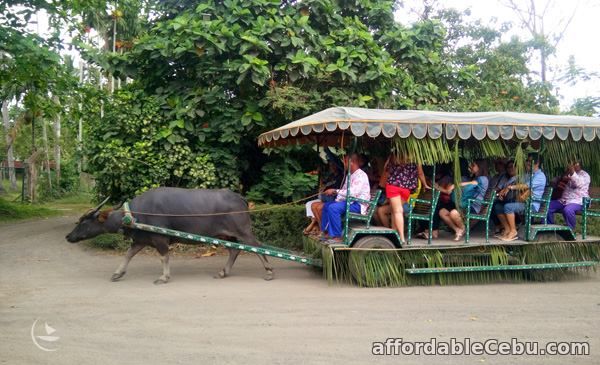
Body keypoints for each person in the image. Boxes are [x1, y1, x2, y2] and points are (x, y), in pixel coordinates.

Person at [495, 154, 547, 241]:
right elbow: (520, 184)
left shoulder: (540, 176)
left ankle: (513, 231)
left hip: (532, 205)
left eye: (530, 161)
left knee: (508, 207)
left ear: (537, 163)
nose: (527, 163)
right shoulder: (530, 175)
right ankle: (507, 229)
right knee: (499, 206)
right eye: (527, 161)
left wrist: (510, 187)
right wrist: (506, 189)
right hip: (523, 201)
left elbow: (525, 186)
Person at [320, 153, 370, 241]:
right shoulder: (349, 175)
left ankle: (337, 236)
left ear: (351, 162)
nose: (344, 164)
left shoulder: (361, 175)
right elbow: (344, 191)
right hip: (350, 202)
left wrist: (335, 191)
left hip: (358, 204)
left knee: (333, 208)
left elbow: (353, 193)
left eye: (345, 162)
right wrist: (336, 196)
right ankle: (326, 232)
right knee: (327, 205)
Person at [436, 159, 489, 241]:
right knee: (442, 212)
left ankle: (462, 228)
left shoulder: (483, 179)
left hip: (473, 206)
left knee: (453, 213)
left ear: (480, 167)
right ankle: (458, 229)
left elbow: (473, 184)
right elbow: (471, 184)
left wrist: (455, 185)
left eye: (473, 165)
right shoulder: (475, 178)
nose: (471, 167)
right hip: (465, 204)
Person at [384, 153, 430, 243]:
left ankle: (401, 238)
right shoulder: (415, 157)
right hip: (406, 188)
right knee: (395, 211)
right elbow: (420, 173)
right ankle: (394, 233)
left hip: (393, 186)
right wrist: (425, 184)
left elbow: (386, 168)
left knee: (397, 211)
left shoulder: (394, 155)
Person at [547, 159, 590, 230]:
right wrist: (562, 178)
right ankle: (549, 228)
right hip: (564, 201)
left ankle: (571, 230)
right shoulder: (568, 174)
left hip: (578, 201)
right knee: (547, 206)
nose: (573, 165)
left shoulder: (585, 175)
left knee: (568, 210)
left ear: (580, 164)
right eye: (572, 163)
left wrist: (572, 172)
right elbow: (555, 181)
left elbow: (578, 183)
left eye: (575, 163)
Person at [303, 159, 344, 235]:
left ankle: (320, 228)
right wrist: (323, 189)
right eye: (331, 165)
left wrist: (328, 191)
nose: (331, 167)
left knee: (319, 207)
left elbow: (337, 191)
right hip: (324, 198)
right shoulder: (331, 176)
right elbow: (325, 186)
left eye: (333, 165)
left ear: (337, 166)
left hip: (333, 198)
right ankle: (317, 225)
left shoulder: (341, 177)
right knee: (310, 204)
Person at [415, 164, 453, 240]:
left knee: (434, 207)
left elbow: (443, 190)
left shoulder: (429, 180)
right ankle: (429, 231)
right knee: (433, 207)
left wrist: (446, 190)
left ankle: (432, 231)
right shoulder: (427, 180)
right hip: (425, 204)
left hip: (427, 204)